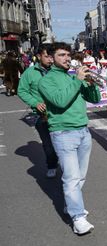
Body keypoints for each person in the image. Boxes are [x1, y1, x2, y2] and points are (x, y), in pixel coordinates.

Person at [38, 42, 101, 235]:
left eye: (68, 55)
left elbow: (95, 99)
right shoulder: (46, 81)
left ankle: (71, 204)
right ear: (50, 58)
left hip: (83, 131)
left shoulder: (72, 76)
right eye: (61, 55)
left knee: (80, 176)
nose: (67, 58)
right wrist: (78, 80)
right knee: (71, 177)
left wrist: (91, 84)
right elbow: (60, 101)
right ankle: (78, 217)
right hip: (63, 133)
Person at [17, 44, 59, 178]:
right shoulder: (29, 72)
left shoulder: (57, 70)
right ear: (39, 56)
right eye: (47, 56)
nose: (50, 60)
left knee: (63, 142)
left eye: (52, 57)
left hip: (59, 112)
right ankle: (52, 165)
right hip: (42, 114)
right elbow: (21, 91)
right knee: (48, 144)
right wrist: (35, 103)